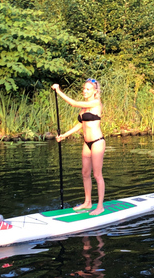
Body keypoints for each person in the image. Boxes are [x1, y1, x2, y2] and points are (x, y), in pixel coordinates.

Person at [53, 79, 105, 216]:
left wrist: (58, 91)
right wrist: (64, 135)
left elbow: (73, 103)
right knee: (85, 173)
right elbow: (81, 124)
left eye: (88, 89)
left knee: (97, 175)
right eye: (84, 89)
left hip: (97, 142)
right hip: (87, 143)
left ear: (95, 91)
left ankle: (100, 206)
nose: (85, 91)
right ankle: (88, 202)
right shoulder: (84, 107)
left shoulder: (95, 103)